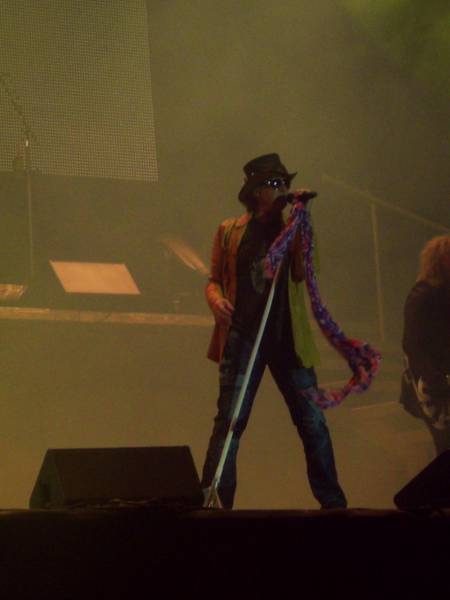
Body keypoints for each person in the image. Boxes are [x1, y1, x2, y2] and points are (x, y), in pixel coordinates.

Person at [201, 153, 347, 509]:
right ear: (256, 192)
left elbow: (302, 272)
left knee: (312, 422)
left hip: (287, 340)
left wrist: (301, 221)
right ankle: (214, 503)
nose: (282, 189)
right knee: (230, 422)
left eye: (285, 183)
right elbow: (213, 280)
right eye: (274, 184)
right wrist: (216, 301)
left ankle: (334, 506)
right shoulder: (229, 231)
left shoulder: (292, 228)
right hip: (243, 337)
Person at [402, 235, 450, 455]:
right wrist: (436, 380)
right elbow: (412, 344)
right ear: (438, 260)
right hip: (434, 385)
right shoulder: (422, 293)